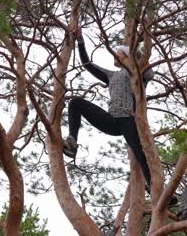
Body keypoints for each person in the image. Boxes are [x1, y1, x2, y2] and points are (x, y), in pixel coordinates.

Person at [63, 27, 154, 190]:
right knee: (76, 103)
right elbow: (87, 65)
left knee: (140, 153)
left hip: (128, 120)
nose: (115, 54)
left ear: (127, 56)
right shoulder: (112, 76)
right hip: (111, 121)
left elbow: (150, 75)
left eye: (118, 53)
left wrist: (138, 54)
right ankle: (72, 143)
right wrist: (80, 41)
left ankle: (155, 187)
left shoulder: (137, 72)